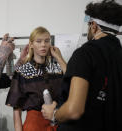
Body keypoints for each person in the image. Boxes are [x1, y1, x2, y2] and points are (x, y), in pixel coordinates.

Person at [41, 0, 122, 131]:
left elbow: (74, 110)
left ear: (94, 25)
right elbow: (88, 77)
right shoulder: (117, 54)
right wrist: (61, 60)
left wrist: (54, 114)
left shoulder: (85, 53)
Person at [6, 26, 66, 131]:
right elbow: (16, 108)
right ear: (31, 45)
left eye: (47, 41)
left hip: (58, 121)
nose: (43, 45)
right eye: (39, 41)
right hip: (34, 124)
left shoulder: (57, 68)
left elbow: (73, 81)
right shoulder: (22, 71)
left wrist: (59, 58)